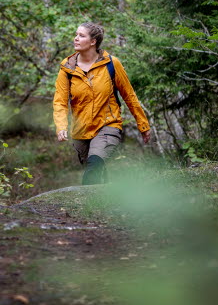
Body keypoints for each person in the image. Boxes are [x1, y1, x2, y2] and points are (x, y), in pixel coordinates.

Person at [53, 22, 151, 185]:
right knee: (95, 172)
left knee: (94, 168)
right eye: (76, 35)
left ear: (93, 42)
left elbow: (129, 96)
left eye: (81, 36)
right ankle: (103, 203)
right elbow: (60, 101)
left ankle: (85, 209)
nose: (76, 39)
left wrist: (143, 124)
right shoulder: (67, 68)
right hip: (81, 131)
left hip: (108, 125)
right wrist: (61, 126)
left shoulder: (112, 64)